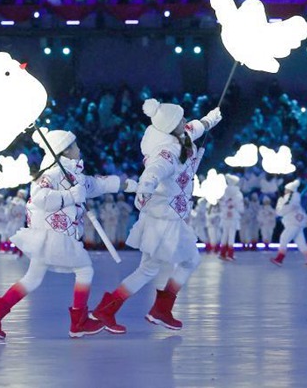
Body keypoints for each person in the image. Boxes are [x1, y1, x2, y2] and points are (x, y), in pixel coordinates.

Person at [0, 129, 127, 340]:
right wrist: (70, 195)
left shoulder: (74, 174)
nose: (79, 149)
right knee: (84, 269)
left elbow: (96, 184)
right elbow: (40, 198)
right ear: (64, 151)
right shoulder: (52, 174)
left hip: (54, 236)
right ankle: (79, 322)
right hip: (55, 235)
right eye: (74, 146)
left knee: (32, 278)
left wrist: (125, 184)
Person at [90, 99, 222, 334]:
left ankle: (112, 309)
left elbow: (198, 125)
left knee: (149, 270)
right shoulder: (167, 152)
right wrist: (145, 188)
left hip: (169, 217)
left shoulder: (184, 134)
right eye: (180, 119)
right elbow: (152, 173)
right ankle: (155, 309)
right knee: (186, 261)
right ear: (171, 126)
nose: (185, 121)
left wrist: (213, 117)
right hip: (164, 219)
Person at [271, 179, 307, 266]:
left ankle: (279, 258)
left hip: (293, 223)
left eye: (286, 189)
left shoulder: (289, 199)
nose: (284, 191)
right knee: (301, 244)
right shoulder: (294, 200)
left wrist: (279, 206)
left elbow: (282, 211)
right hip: (297, 224)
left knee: (284, 238)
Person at [218, 175, 244, 261]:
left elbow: (221, 204)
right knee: (231, 235)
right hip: (234, 216)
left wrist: (226, 209)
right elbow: (240, 207)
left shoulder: (224, 192)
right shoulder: (238, 194)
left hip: (225, 216)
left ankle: (222, 253)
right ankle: (230, 254)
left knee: (225, 235)